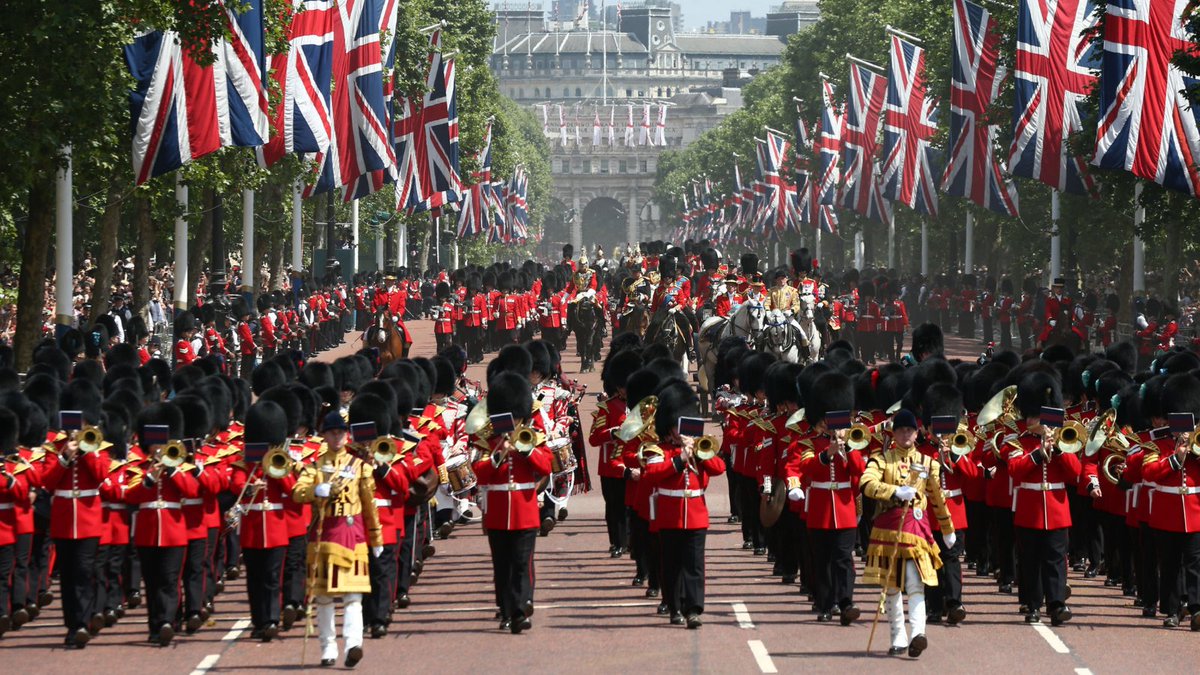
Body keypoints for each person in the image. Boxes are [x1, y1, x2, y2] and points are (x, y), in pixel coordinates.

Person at [293, 410, 384, 668]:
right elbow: (298, 492)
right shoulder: (316, 466)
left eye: (341, 433)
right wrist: (315, 490)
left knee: (353, 596)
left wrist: (376, 537)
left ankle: (354, 644)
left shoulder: (360, 467)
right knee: (323, 597)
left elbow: (369, 505)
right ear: (324, 436)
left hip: (352, 533)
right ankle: (328, 646)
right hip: (325, 533)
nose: (338, 437)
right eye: (333, 433)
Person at [861, 409, 954, 657]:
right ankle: (898, 637)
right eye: (901, 430)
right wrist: (893, 491)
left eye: (910, 430)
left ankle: (918, 634)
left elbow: (937, 497)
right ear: (894, 433)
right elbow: (867, 483)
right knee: (891, 586)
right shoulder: (882, 459)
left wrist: (947, 528)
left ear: (916, 433)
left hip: (915, 528)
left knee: (915, 581)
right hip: (888, 529)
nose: (905, 434)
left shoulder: (928, 463)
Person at [473, 372, 554, 634]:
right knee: (502, 565)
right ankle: (505, 610)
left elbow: (546, 465)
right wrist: (499, 453)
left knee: (522, 563)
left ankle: (520, 610)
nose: (513, 422)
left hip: (525, 510)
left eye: (516, 417)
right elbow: (480, 471)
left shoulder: (532, 437)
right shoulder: (489, 441)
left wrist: (526, 450)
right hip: (497, 511)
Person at [644, 381, 725, 629]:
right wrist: (679, 460)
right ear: (670, 428)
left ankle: (693, 609)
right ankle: (674, 606)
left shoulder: (700, 448)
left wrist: (699, 453)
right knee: (671, 565)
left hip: (696, 515)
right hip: (669, 514)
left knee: (695, 565)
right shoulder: (659, 449)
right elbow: (654, 474)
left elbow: (719, 468)